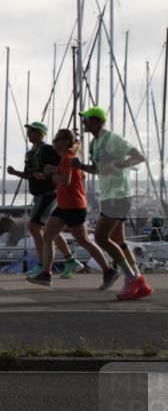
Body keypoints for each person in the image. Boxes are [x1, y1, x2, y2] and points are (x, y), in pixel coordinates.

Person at [73, 106, 153, 300]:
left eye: (87, 119)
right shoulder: (94, 143)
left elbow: (139, 157)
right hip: (108, 195)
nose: (84, 122)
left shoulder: (113, 139)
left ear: (98, 121)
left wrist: (118, 165)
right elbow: (99, 169)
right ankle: (140, 281)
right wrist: (82, 166)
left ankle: (131, 278)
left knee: (100, 238)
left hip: (120, 195)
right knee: (119, 240)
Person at [26, 129, 116, 288]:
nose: (53, 142)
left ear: (66, 142)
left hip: (74, 206)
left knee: (84, 241)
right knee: (48, 236)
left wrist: (52, 174)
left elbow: (65, 180)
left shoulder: (68, 158)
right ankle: (46, 274)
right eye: (54, 139)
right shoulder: (64, 159)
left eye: (57, 139)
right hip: (64, 205)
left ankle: (108, 270)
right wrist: (53, 171)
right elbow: (67, 178)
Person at [6, 121, 82, 278]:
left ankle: (43, 265)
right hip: (38, 195)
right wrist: (15, 173)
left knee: (33, 227)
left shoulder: (47, 149)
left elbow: (60, 165)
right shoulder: (30, 153)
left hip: (49, 194)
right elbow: (30, 174)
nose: (29, 133)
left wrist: (47, 174)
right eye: (28, 131)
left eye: (32, 131)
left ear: (40, 133)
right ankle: (70, 260)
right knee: (49, 230)